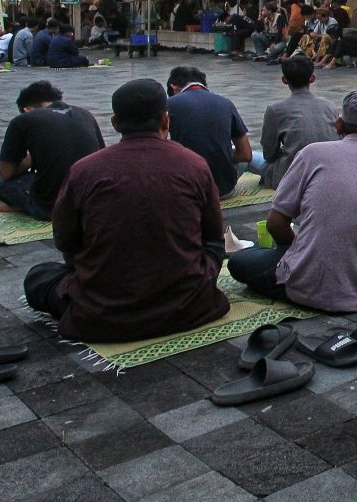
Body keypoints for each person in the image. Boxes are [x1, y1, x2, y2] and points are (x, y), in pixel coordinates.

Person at [22, 78, 230, 342]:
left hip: (105, 310)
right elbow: (213, 237)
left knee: (38, 277)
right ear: (166, 121)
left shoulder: (84, 170)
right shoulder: (194, 165)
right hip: (188, 304)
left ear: (116, 123)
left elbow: (65, 240)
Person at [227, 90, 357, 311]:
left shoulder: (313, 154)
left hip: (311, 287)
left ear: (339, 125)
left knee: (239, 262)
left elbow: (276, 223)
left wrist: (296, 251)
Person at [0, 81, 105, 221]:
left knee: (1, 182)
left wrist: (31, 159)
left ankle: (25, 206)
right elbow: (101, 155)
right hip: (92, 198)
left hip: (53, 206)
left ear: (26, 109)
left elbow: (6, 172)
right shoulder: (85, 113)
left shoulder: (22, 120)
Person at [166, 66, 255, 198]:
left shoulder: (169, 104)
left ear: (173, 87)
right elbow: (246, 155)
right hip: (223, 190)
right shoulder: (226, 103)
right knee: (253, 156)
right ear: (204, 84)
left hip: (186, 191)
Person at [257, 55, 339, 187]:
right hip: (329, 171)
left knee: (250, 159)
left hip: (293, 177)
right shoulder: (330, 105)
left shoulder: (275, 109)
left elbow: (269, 154)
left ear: (284, 80)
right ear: (312, 78)